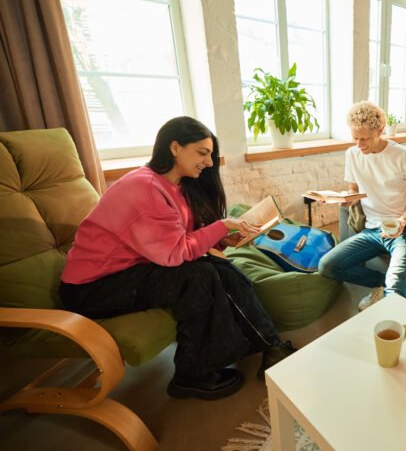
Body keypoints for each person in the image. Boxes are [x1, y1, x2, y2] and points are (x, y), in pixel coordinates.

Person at [60, 116, 294, 400]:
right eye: (202, 153)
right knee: (199, 275)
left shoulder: (176, 186)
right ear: (174, 147)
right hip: (92, 287)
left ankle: (271, 346)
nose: (209, 163)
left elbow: (180, 238)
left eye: (210, 154)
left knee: (219, 267)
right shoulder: (144, 188)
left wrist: (222, 238)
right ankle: (190, 374)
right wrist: (222, 226)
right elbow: (174, 254)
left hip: (136, 268)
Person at [318, 101, 406, 310]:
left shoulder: (403, 155)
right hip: (372, 229)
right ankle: (380, 282)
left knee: (394, 292)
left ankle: (388, 312)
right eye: (355, 138)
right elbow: (355, 192)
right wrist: (341, 199)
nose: (359, 145)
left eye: (365, 139)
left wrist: (402, 220)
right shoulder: (352, 154)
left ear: (380, 131)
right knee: (327, 266)